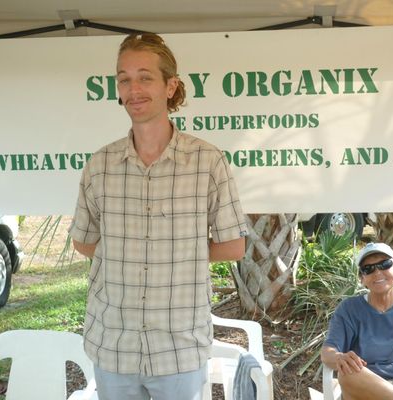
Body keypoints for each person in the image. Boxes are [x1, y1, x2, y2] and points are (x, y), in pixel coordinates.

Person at [68, 33, 248, 400]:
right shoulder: (100, 165)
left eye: (145, 77)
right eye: (124, 79)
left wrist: (176, 252)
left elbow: (234, 246)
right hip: (113, 344)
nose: (133, 89)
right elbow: (83, 242)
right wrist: (127, 252)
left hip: (179, 347)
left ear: (171, 86)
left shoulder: (207, 162)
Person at [321, 242, 393, 400]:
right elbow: (327, 352)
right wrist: (339, 357)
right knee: (347, 372)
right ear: (362, 278)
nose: (377, 272)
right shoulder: (350, 309)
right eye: (368, 269)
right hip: (365, 387)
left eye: (385, 264)